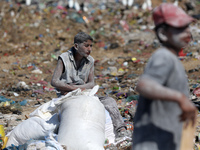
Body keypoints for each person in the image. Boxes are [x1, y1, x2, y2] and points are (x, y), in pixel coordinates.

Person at [132, 3, 197, 150]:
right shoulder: (164, 56)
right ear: (162, 33)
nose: (187, 32)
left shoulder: (173, 60)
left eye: (187, 26)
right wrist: (180, 98)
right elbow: (144, 85)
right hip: (152, 144)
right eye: (180, 28)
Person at [51, 31, 132, 141]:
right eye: (86, 45)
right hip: (67, 95)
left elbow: (91, 83)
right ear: (76, 46)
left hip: (85, 94)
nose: (89, 49)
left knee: (109, 101)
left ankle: (121, 131)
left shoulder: (90, 61)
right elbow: (54, 81)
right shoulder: (64, 58)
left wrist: (79, 88)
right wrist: (71, 89)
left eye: (91, 46)